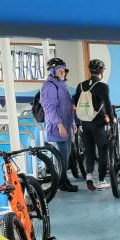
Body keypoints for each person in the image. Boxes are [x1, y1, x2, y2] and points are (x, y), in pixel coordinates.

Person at [73, 58, 113, 191]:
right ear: (102, 72)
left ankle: (89, 176)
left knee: (89, 150)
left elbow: (76, 103)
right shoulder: (102, 86)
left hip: (85, 123)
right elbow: (107, 105)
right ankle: (101, 180)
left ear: (89, 70)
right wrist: (111, 120)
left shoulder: (80, 85)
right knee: (102, 150)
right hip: (98, 123)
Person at [40, 57, 78, 192]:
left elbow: (68, 106)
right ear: (52, 71)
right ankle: (62, 183)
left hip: (66, 124)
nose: (63, 73)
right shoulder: (49, 86)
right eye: (59, 70)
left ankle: (64, 180)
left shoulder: (62, 84)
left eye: (64, 70)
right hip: (57, 127)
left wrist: (73, 123)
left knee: (65, 156)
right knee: (61, 158)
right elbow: (49, 109)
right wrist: (59, 125)